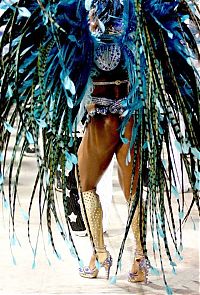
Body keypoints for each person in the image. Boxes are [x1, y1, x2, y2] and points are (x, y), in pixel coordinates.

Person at [0, 0, 199, 293]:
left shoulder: (89, 33)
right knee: (132, 190)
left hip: (102, 121)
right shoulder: (132, 29)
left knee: (86, 185)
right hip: (131, 118)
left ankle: (99, 255)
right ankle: (140, 259)